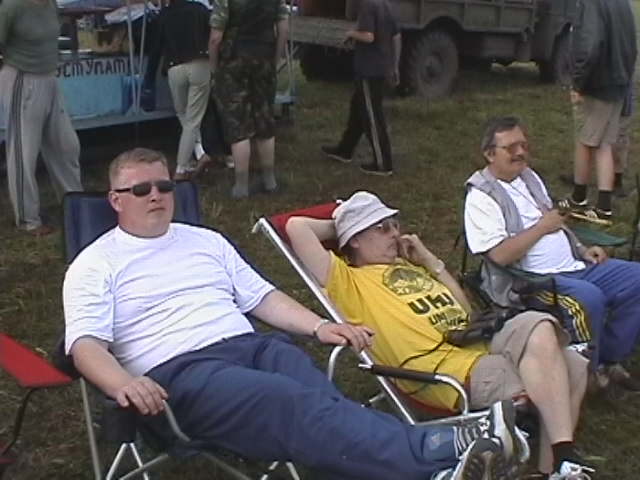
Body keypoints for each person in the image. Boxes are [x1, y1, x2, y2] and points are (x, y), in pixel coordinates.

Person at [63, 147, 522, 480]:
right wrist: (123, 384)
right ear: (116, 199)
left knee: (324, 404)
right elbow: (84, 345)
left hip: (253, 348)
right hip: (183, 374)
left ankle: (439, 470)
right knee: (291, 402)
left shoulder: (206, 241)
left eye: (164, 185)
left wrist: (321, 326)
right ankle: (440, 446)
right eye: (141, 189)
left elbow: (262, 297)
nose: (156, 195)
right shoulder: (96, 263)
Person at [286, 191, 590, 478]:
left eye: (395, 225)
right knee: (569, 369)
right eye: (382, 228)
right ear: (354, 239)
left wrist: (430, 261)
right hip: (445, 369)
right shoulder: (346, 279)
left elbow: (466, 313)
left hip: (478, 341)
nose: (395, 234)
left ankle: (556, 465)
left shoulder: (410, 265)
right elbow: (296, 228)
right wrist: (344, 220)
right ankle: (559, 466)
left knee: (542, 327)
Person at [464, 115, 640, 391]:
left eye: (523, 145)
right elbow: (498, 256)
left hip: (575, 265)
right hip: (533, 281)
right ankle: (587, 374)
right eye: (510, 148)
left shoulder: (528, 176)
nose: (521, 152)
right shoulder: (481, 197)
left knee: (636, 278)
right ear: (489, 154)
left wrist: (582, 249)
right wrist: (541, 228)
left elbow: (554, 221)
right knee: (589, 298)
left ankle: (608, 358)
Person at [0, 0, 83, 236]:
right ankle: (28, 220)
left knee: (66, 146)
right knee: (23, 152)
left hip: (49, 77)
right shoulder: (12, 6)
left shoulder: (50, 4)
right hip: (22, 78)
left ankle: (74, 204)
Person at [208, 0, 288, 198]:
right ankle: (270, 181)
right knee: (265, 120)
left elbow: (216, 37)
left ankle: (241, 186)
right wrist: (275, 59)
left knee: (238, 125)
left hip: (233, 61)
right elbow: (283, 29)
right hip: (264, 58)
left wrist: (214, 67)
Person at [566, 0, 637, 218]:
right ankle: (604, 206)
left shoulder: (592, 3)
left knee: (584, 141)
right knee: (604, 144)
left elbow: (589, 44)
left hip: (597, 84)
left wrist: (578, 83)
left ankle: (578, 198)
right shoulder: (623, 4)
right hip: (618, 82)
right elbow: (632, 44)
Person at [321, 0, 400, 176]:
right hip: (382, 66)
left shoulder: (367, 5)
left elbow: (368, 36)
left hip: (369, 71)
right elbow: (396, 36)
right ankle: (345, 150)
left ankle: (383, 163)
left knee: (373, 118)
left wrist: (351, 33)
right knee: (357, 109)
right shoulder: (387, 4)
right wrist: (395, 65)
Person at [145, 0, 212, 180]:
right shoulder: (200, 10)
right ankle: (181, 168)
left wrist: (149, 78)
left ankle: (198, 153)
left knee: (183, 115)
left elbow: (155, 49)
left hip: (174, 68)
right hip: (199, 63)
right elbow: (212, 37)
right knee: (193, 119)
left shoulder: (163, 15)